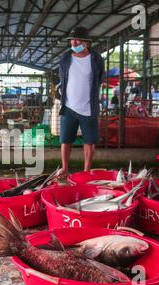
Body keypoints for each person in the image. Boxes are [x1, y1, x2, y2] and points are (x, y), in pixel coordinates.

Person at [56, 26, 105, 178]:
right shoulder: (66, 57)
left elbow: (99, 79)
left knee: (89, 141)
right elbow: (62, 78)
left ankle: (86, 171)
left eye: (77, 40)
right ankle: (65, 168)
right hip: (68, 106)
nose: (73, 42)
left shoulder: (96, 59)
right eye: (72, 40)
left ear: (86, 43)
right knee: (66, 140)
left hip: (88, 108)